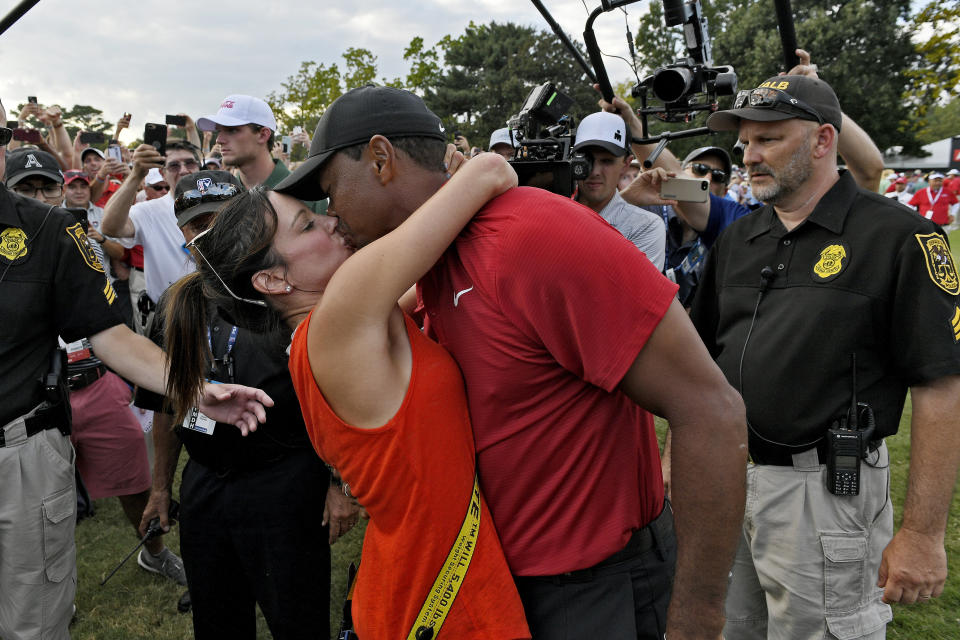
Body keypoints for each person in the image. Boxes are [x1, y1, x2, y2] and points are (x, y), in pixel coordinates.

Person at [273, 85, 746, 639]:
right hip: (499, 591)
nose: (332, 216)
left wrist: (696, 615)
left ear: (381, 160)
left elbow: (710, 410)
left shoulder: (530, 235)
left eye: (330, 192)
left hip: (592, 592)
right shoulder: (424, 263)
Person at [161, 149, 531, 639]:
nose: (332, 220)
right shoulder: (339, 317)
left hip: (424, 575)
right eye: (307, 225)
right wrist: (443, 175)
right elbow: (493, 170)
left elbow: (425, 285)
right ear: (274, 279)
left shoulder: (331, 330)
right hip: (439, 595)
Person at [689, 73, 960, 639]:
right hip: (728, 483)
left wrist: (923, 534)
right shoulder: (738, 241)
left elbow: (942, 388)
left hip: (826, 497)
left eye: (769, 138)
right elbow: (701, 363)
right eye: (745, 141)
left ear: (822, 140)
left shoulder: (900, 238)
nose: (750, 154)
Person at [0, 102, 271, 640]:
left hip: (18, 455)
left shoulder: (52, 232)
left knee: (29, 620)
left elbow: (110, 333)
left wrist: (192, 387)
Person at [138, 170, 352, 639]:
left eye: (225, 219)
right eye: (200, 224)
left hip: (285, 480)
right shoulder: (179, 305)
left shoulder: (289, 294)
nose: (212, 232)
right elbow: (166, 405)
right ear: (184, 235)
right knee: (216, 620)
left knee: (297, 617)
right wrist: (160, 489)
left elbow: (337, 398)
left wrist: (340, 484)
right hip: (207, 484)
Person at [196, 94, 325, 215]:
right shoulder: (219, 197)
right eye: (219, 131)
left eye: (232, 130)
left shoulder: (308, 196)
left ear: (263, 135)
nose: (219, 140)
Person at [573, 110, 666, 269]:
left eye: (606, 161)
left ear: (626, 163)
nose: (595, 171)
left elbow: (638, 292)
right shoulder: (548, 210)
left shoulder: (645, 226)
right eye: (586, 160)